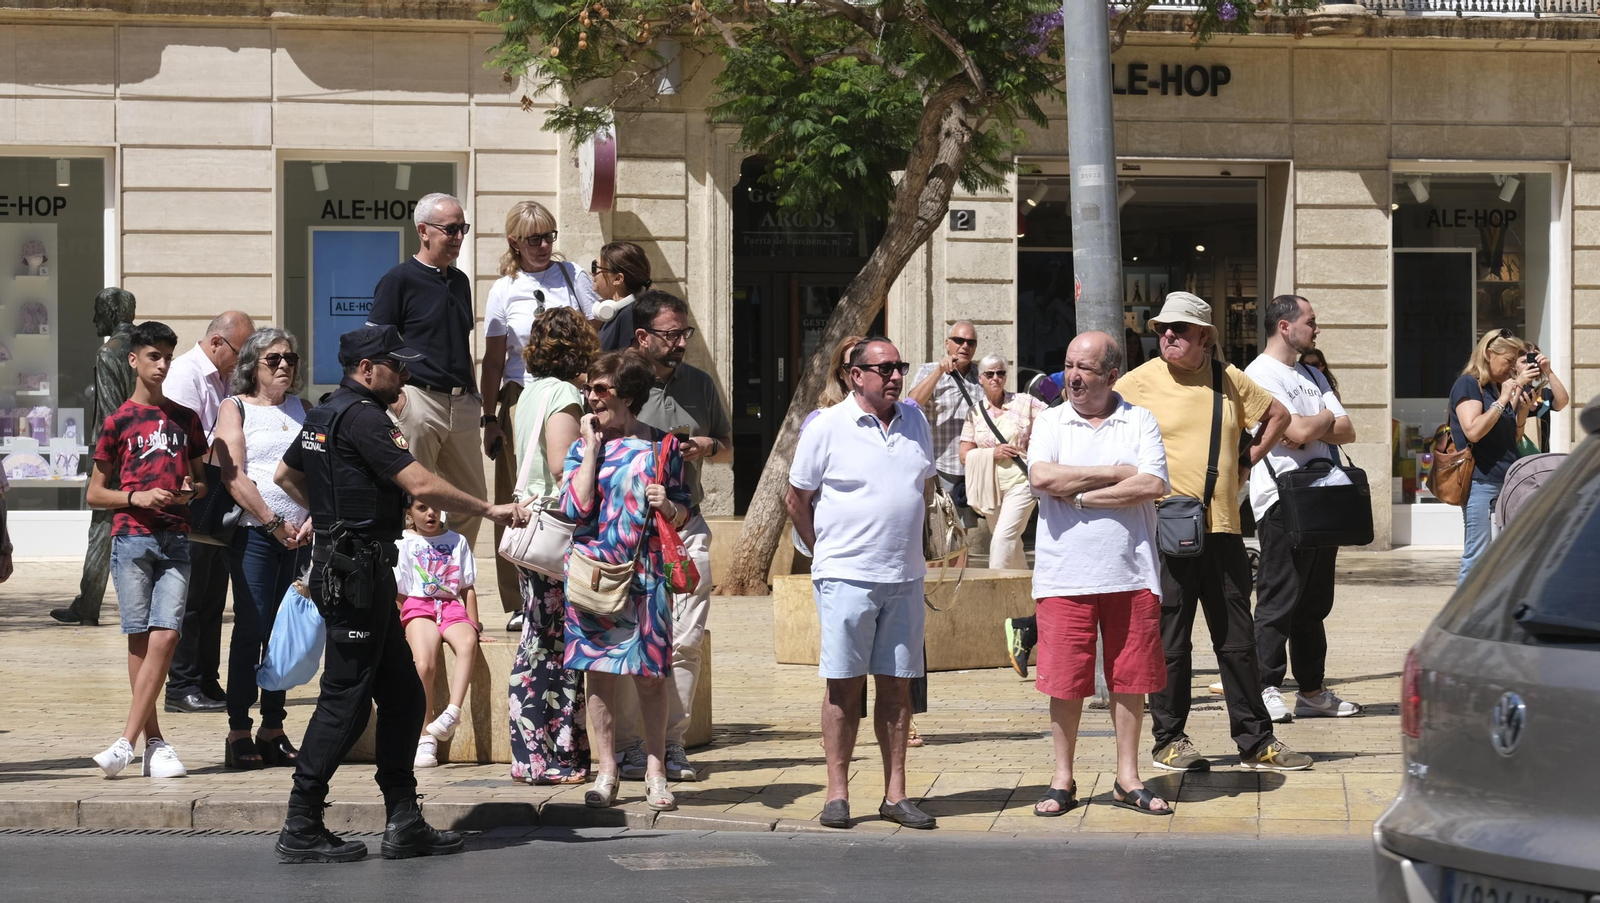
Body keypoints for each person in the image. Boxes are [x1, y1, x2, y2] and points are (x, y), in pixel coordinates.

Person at [270, 325, 526, 864]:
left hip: (360, 571)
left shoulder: (324, 413)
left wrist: (327, 515)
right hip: (355, 577)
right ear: (367, 369)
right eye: (395, 365)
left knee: (406, 696)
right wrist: (489, 509)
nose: (404, 375)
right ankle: (301, 821)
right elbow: (422, 485)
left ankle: (403, 820)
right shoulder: (364, 418)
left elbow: (286, 475)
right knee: (345, 700)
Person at [1115, 293, 1311, 774]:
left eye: (1179, 330)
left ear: (1204, 336)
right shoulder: (1138, 382)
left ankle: (1256, 740)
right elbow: (1099, 422)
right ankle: (1169, 740)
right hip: (1166, 530)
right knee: (1171, 641)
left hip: (1222, 528)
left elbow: (1278, 417)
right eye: (1162, 328)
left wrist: (1245, 462)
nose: (1167, 337)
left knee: (1238, 643)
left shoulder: (1227, 379)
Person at [787, 337, 938, 832]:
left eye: (900, 367)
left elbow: (923, 487)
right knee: (842, 688)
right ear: (856, 375)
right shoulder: (826, 425)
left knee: (897, 691)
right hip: (846, 576)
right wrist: (824, 553)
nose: (895, 376)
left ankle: (896, 794)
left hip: (904, 577)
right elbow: (797, 499)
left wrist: (921, 550)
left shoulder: (915, 420)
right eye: (884, 368)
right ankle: (837, 794)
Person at [1028, 332, 1170, 816]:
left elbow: (1151, 483)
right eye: (1068, 365)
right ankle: (1062, 778)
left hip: (1130, 573)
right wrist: (1114, 473)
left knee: (1131, 679)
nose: (1073, 376)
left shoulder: (1140, 419)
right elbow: (1042, 479)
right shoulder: (1050, 420)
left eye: (1085, 368)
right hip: (1064, 575)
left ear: (1112, 375)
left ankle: (1126, 778)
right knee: (1064, 680)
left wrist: (1082, 496)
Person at [560, 350, 692, 814]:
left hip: (647, 574)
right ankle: (607, 770)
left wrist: (668, 506)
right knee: (598, 672)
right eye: (589, 388)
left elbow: (684, 508)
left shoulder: (664, 448)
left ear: (629, 395)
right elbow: (573, 510)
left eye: (602, 389)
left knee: (652, 676)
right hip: (594, 576)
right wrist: (592, 452)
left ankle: (656, 773)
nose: (591, 397)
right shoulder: (582, 448)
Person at [611, 291, 731, 783]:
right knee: (625, 642)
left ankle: (672, 745)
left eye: (686, 334)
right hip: (627, 535)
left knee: (684, 641)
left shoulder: (701, 385)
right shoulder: (615, 382)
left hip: (686, 530)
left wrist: (709, 446)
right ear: (642, 337)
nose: (681, 342)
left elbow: (727, 448)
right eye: (671, 335)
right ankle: (624, 748)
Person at [88, 321, 209, 780]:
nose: (161, 365)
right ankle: (154, 743)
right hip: (132, 536)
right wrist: (136, 497)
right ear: (133, 360)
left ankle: (125, 741)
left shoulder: (185, 419)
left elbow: (199, 482)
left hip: (176, 536)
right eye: (153, 356)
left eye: (167, 357)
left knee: (167, 635)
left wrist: (187, 490)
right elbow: (96, 494)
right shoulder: (118, 421)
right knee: (140, 639)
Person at [481, 200, 602, 631]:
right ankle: (518, 600)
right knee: (522, 490)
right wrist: (489, 415)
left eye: (549, 236)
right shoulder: (503, 289)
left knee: (573, 482)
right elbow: (493, 360)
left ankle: (576, 584)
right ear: (514, 241)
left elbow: (595, 338)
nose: (544, 245)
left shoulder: (573, 277)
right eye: (534, 238)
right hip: (522, 395)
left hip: (571, 390)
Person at [1246, 296, 1361, 724]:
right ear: (1284, 326)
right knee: (1279, 598)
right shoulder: (1258, 375)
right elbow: (1291, 429)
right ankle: (1265, 686)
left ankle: (1311, 690)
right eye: (1311, 322)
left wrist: (1314, 422)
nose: (1317, 329)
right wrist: (1321, 419)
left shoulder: (1311, 372)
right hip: (1282, 501)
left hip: (1323, 497)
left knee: (1315, 604)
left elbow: (1347, 431)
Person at [213, 327, 313, 770]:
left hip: (298, 536)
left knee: (283, 632)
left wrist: (310, 519)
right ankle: (239, 730)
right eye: (274, 359)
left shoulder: (303, 410)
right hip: (255, 533)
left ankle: (273, 727)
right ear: (253, 364)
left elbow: (315, 472)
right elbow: (233, 475)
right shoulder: (234, 408)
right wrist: (273, 522)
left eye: (290, 358)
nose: (284, 366)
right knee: (251, 629)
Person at [366, 192, 489, 551]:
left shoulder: (461, 281)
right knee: (413, 500)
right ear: (423, 231)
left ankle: (448, 573)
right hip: (418, 399)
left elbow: (462, 343)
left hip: (462, 403)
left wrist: (475, 395)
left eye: (462, 228)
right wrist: (396, 398)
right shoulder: (398, 280)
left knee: (473, 500)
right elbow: (375, 344)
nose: (458, 237)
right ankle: (410, 587)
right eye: (451, 229)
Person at [507, 307, 597, 786]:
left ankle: (536, 753)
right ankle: (547, 754)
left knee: (539, 638)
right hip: (554, 531)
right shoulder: (563, 394)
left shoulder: (530, 393)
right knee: (550, 643)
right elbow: (563, 466)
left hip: (531, 527)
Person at [163, 310, 256, 715]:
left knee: (215, 595)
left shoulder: (224, 377)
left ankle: (206, 678)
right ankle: (181, 684)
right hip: (194, 494)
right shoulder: (186, 374)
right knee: (192, 596)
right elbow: (181, 439)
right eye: (240, 350)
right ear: (217, 343)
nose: (242, 360)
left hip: (219, 491)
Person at [52, 287, 137, 628]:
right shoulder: (147, 349)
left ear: (111, 313)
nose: (93, 319)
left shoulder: (109, 353)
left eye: (96, 311)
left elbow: (112, 415)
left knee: (102, 529)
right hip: (148, 449)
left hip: (115, 456)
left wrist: (107, 464)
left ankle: (88, 605)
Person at [1449, 329, 1554, 584]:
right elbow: (1473, 431)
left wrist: (1521, 407)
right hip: (1481, 483)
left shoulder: (1499, 388)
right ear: (1488, 353)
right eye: (1507, 361)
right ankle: (1464, 620)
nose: (1510, 368)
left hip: (1506, 482)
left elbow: (1515, 438)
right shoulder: (1469, 384)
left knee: (1509, 555)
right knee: (1477, 558)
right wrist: (1505, 398)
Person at [396, 497, 488, 769]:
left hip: (450, 606)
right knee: (424, 664)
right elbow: (401, 592)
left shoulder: (457, 540)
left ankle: (452, 712)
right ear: (409, 513)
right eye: (422, 508)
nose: (430, 513)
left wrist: (475, 625)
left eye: (435, 507)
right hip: (418, 606)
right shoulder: (403, 542)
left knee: (468, 641)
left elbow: (466, 588)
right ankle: (425, 734)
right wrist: (399, 626)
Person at [959, 352, 1047, 570]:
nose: (995, 378)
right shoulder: (975, 413)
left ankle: (993, 593)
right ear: (980, 379)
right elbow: (964, 454)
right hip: (991, 488)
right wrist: (992, 453)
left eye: (1000, 373)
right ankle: (1025, 595)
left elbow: (1053, 421)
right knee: (1012, 544)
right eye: (989, 374)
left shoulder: (1025, 402)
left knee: (1001, 540)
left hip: (1021, 483)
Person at [907, 320, 981, 530]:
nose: (965, 346)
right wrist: (939, 371)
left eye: (970, 342)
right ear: (947, 343)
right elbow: (912, 403)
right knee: (936, 533)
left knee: (963, 534)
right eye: (959, 340)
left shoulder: (981, 375)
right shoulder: (930, 370)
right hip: (939, 468)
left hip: (970, 470)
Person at [593, 241, 654, 352]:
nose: (592, 273)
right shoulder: (618, 313)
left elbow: (630, 363)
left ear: (618, 279)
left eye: (595, 267)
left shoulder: (630, 314)